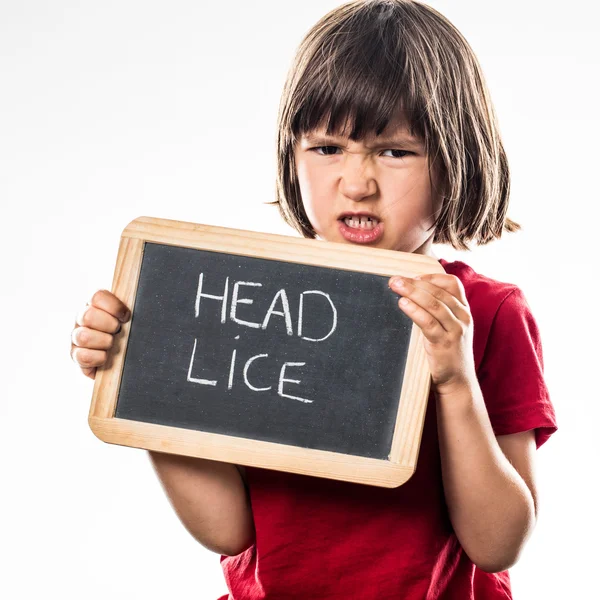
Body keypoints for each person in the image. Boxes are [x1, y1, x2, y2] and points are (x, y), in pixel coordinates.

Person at [70, 1, 558, 598]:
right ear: (291, 155)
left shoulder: (487, 313)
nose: (357, 183)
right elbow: (226, 528)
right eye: (327, 148)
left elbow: (497, 543)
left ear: (456, 159)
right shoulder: (248, 302)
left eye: (396, 150)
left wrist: (456, 381)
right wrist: (144, 380)